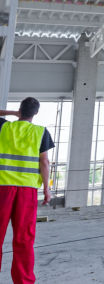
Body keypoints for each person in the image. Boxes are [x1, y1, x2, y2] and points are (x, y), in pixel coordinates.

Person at [0, 97, 54, 284]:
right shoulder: (40, 132)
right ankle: (23, 281)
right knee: (24, 238)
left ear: (19, 110)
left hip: (2, 188)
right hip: (27, 191)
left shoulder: (4, 127)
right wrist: (47, 189)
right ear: (36, 113)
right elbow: (44, 162)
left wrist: (11, 114)